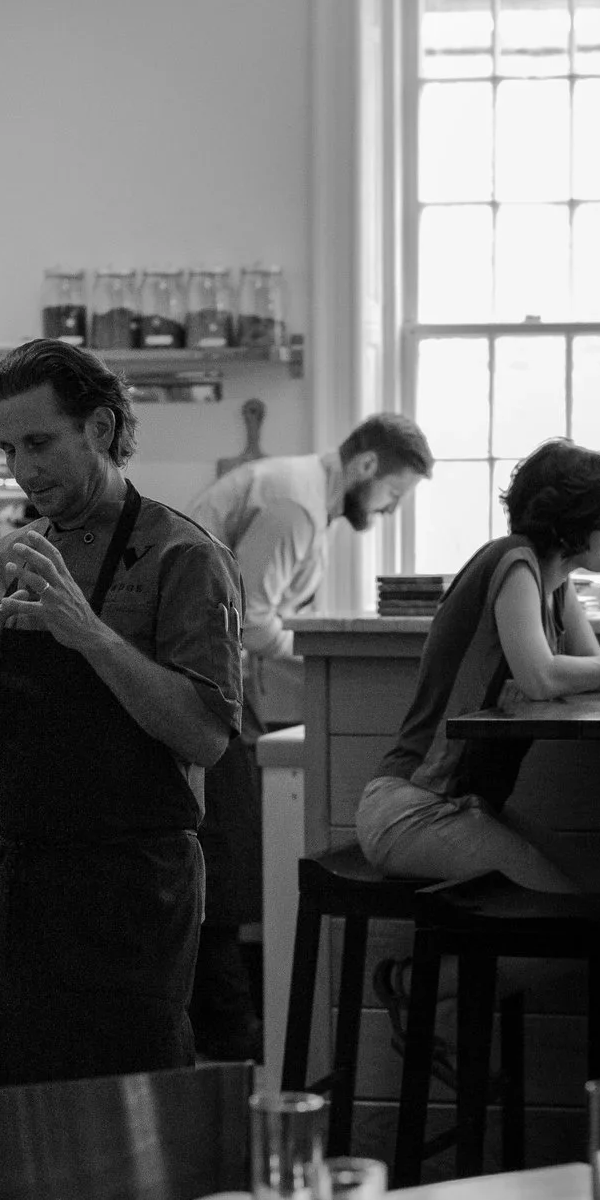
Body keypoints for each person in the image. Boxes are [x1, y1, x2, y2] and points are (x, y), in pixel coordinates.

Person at [0, 340, 242, 1086]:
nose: (23, 470)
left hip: (133, 885)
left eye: (39, 443)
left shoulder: (183, 556)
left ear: (101, 429)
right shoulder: (7, 557)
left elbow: (204, 733)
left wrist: (91, 634)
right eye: (9, 449)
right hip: (24, 883)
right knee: (22, 1113)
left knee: (129, 1115)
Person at [183, 411, 433, 1060]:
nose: (391, 506)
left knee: (230, 867)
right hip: (195, 691)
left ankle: (232, 1034)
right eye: (395, 493)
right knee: (228, 871)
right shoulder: (296, 504)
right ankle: (229, 1041)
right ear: (368, 466)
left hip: (214, 691)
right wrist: (323, 656)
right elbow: (248, 615)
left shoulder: (303, 497)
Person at [356, 439, 600, 894]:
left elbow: (589, 680)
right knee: (571, 914)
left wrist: (585, 676)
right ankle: (408, 972)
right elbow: (543, 675)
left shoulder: (557, 585)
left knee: (599, 893)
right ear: (576, 522)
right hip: (413, 806)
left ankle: (427, 970)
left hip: (461, 805)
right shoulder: (513, 561)